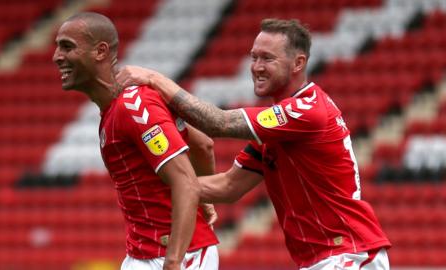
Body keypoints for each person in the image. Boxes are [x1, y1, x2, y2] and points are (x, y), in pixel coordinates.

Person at [116, 18, 391, 269]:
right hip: (328, 258)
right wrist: (158, 188)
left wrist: (154, 79)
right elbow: (228, 186)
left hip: (350, 254)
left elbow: (218, 123)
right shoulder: (277, 129)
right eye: (254, 57)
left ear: (298, 63)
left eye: (267, 59)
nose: (257, 67)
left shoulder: (306, 110)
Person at [52, 12, 219, 270]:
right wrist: (205, 199)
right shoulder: (118, 109)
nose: (57, 57)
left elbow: (186, 179)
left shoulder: (133, 106)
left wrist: (173, 261)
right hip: (143, 253)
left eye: (67, 47)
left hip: (176, 255)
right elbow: (202, 145)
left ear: (100, 51)